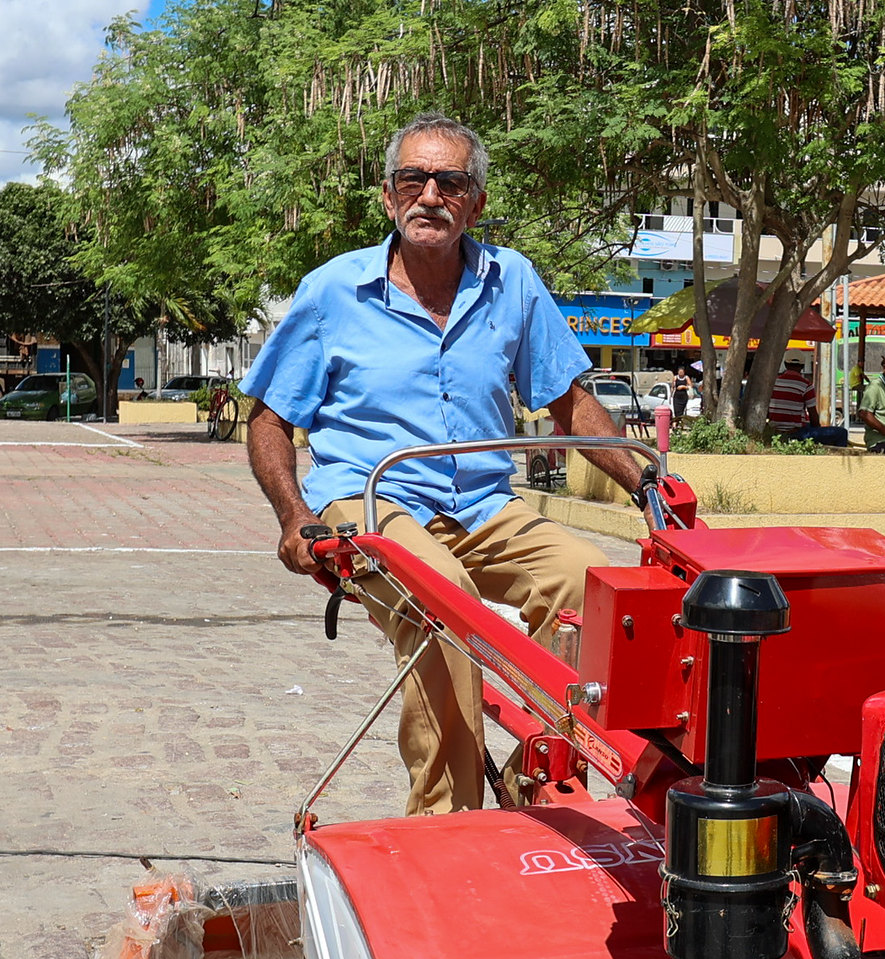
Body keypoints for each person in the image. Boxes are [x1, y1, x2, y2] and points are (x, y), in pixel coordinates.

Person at [241, 111, 651, 816]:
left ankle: (537, 785)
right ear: (388, 195)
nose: (430, 194)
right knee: (446, 603)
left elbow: (570, 403)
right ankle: (446, 822)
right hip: (369, 500)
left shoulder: (512, 282)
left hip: (486, 507)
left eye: (450, 181)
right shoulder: (333, 292)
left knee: (600, 592)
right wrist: (293, 517)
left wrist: (651, 484)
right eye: (414, 178)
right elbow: (270, 421)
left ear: (476, 201)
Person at [767, 357, 848, 445]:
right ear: (802, 366)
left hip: (775, 431)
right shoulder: (806, 385)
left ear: (785, 365)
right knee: (842, 433)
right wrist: (817, 429)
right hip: (796, 433)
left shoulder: (773, 383)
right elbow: (813, 416)